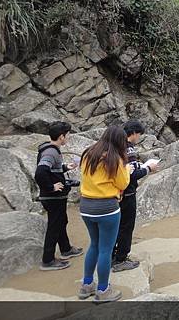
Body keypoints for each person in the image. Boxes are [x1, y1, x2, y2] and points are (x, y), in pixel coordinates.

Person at [78, 126, 130, 303]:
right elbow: (123, 183)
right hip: (107, 207)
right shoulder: (114, 159)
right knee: (106, 250)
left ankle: (86, 285)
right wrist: (127, 169)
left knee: (94, 244)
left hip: (86, 206)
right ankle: (103, 290)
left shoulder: (88, 153)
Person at [35, 122, 83, 271]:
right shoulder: (51, 152)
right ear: (61, 136)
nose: (68, 137)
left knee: (61, 221)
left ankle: (66, 249)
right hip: (52, 197)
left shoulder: (52, 151)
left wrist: (64, 167)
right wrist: (51, 187)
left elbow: (50, 170)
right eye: (67, 135)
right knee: (54, 226)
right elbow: (41, 172)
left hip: (55, 197)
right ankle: (48, 260)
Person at [112, 120, 159, 272]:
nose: (138, 137)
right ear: (133, 133)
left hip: (115, 193)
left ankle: (111, 255)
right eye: (138, 134)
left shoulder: (114, 145)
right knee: (126, 226)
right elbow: (131, 175)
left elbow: (127, 169)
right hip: (127, 193)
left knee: (115, 226)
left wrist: (139, 166)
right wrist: (148, 169)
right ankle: (120, 259)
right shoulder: (129, 149)